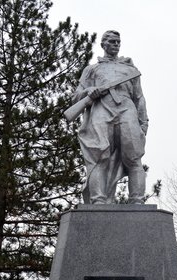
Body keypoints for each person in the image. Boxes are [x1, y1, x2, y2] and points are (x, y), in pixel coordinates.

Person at [73, 30, 148, 204]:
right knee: (100, 157)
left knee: (134, 157)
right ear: (103, 45)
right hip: (101, 110)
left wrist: (144, 122)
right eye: (112, 42)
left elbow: (139, 97)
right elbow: (76, 97)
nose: (116, 45)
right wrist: (88, 91)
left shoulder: (130, 70)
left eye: (118, 42)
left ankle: (137, 200)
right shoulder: (92, 70)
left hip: (126, 110)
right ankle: (98, 201)